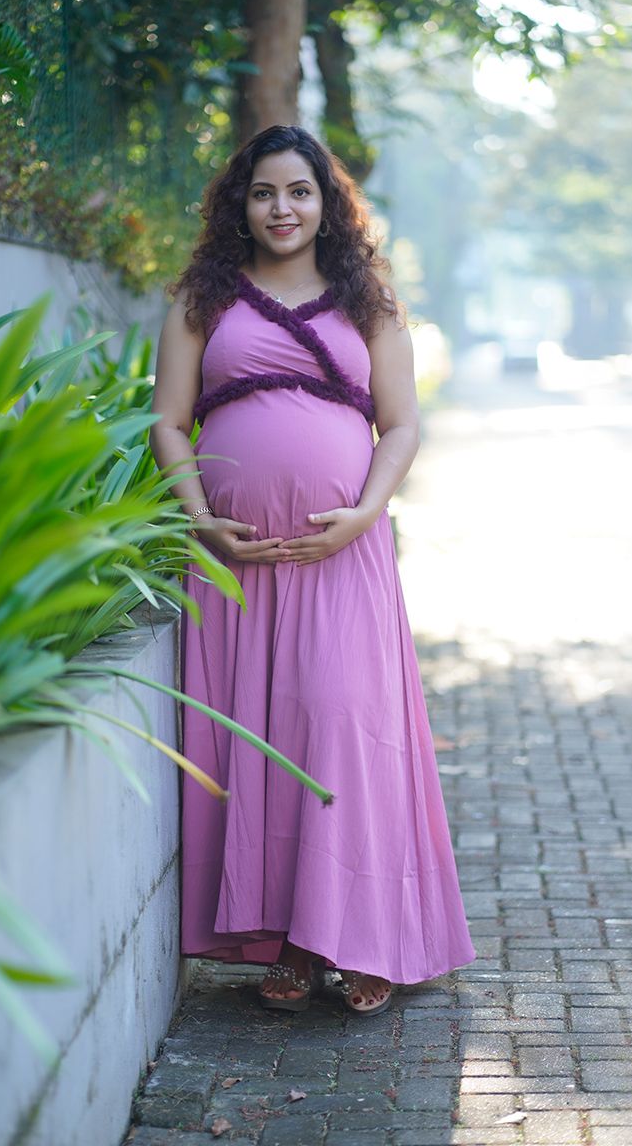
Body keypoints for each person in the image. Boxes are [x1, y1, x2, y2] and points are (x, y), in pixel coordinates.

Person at [150, 124, 475, 1016]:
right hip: (237, 565)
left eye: (299, 191)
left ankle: (364, 937)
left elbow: (400, 424)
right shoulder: (202, 300)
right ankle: (287, 942)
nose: (281, 208)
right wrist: (203, 521)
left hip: (344, 556)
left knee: (341, 731)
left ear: (326, 202)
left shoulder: (366, 295)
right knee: (262, 747)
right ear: (238, 204)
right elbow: (168, 424)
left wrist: (366, 514)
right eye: (263, 193)